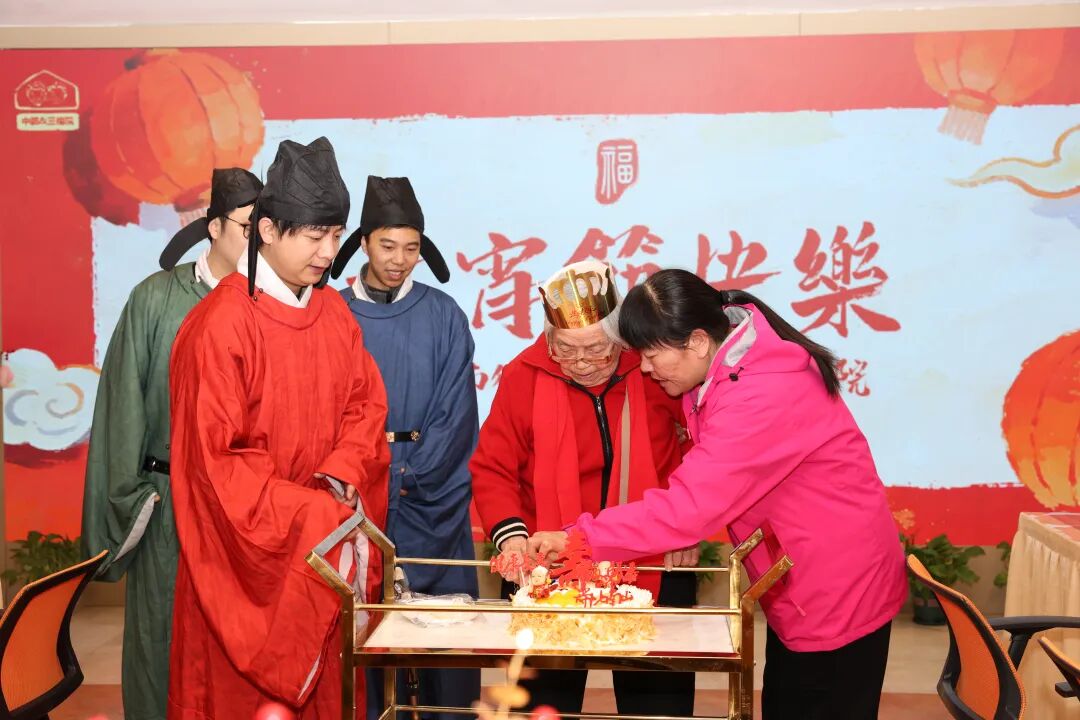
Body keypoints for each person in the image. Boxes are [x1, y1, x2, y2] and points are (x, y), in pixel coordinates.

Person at [528, 268, 907, 720]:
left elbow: (689, 508)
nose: (644, 368)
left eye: (651, 354)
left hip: (836, 585)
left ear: (697, 341)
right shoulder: (728, 366)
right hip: (802, 580)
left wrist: (579, 539)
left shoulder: (763, 392)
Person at [167, 137, 390, 719]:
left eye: (336, 235)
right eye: (314, 236)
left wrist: (341, 477)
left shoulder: (334, 312)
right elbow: (214, 464)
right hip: (252, 566)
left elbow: (366, 408)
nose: (329, 252)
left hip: (322, 546)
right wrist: (310, 514)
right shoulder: (220, 324)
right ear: (266, 230)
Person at [471, 260, 697, 717]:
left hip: (652, 555)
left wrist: (686, 526)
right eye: (565, 350)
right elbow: (494, 467)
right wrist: (511, 536)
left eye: (596, 350)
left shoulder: (654, 369)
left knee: (657, 703)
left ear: (620, 339)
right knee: (545, 704)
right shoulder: (524, 375)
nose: (580, 363)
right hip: (548, 561)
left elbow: (701, 448)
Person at [81, 168, 262, 720]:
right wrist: (133, 497)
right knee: (160, 640)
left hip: (245, 510)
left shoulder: (271, 302)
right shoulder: (156, 299)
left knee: (239, 649)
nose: (258, 241)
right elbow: (121, 408)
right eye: (247, 227)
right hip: (170, 506)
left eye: (267, 229)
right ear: (214, 227)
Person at [330, 175, 480, 720]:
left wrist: (410, 476)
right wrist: (362, 476)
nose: (399, 260)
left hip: (432, 493)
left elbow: (456, 414)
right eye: (387, 246)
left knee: (447, 638)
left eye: (411, 248)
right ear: (364, 243)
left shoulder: (444, 314)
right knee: (361, 632)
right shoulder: (331, 313)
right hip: (354, 492)